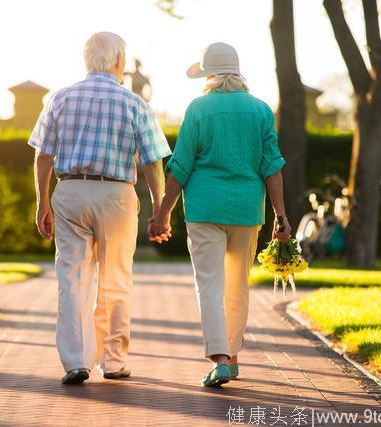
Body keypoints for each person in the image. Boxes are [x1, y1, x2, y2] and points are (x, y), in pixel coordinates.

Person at [29, 32, 172, 385]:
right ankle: (113, 361)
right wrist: (159, 209)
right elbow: (153, 163)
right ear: (119, 62)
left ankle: (76, 361)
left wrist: (41, 202)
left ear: (86, 60)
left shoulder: (60, 98)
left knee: (73, 278)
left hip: (70, 190)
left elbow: (43, 155)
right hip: (116, 195)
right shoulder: (134, 103)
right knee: (116, 278)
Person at [149, 42, 291, 387]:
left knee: (210, 286)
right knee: (237, 287)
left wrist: (162, 215)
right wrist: (281, 217)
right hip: (246, 210)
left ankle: (221, 359)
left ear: (208, 75)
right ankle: (233, 355)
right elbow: (272, 167)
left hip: (204, 209)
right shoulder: (260, 111)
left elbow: (180, 166)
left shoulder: (198, 109)